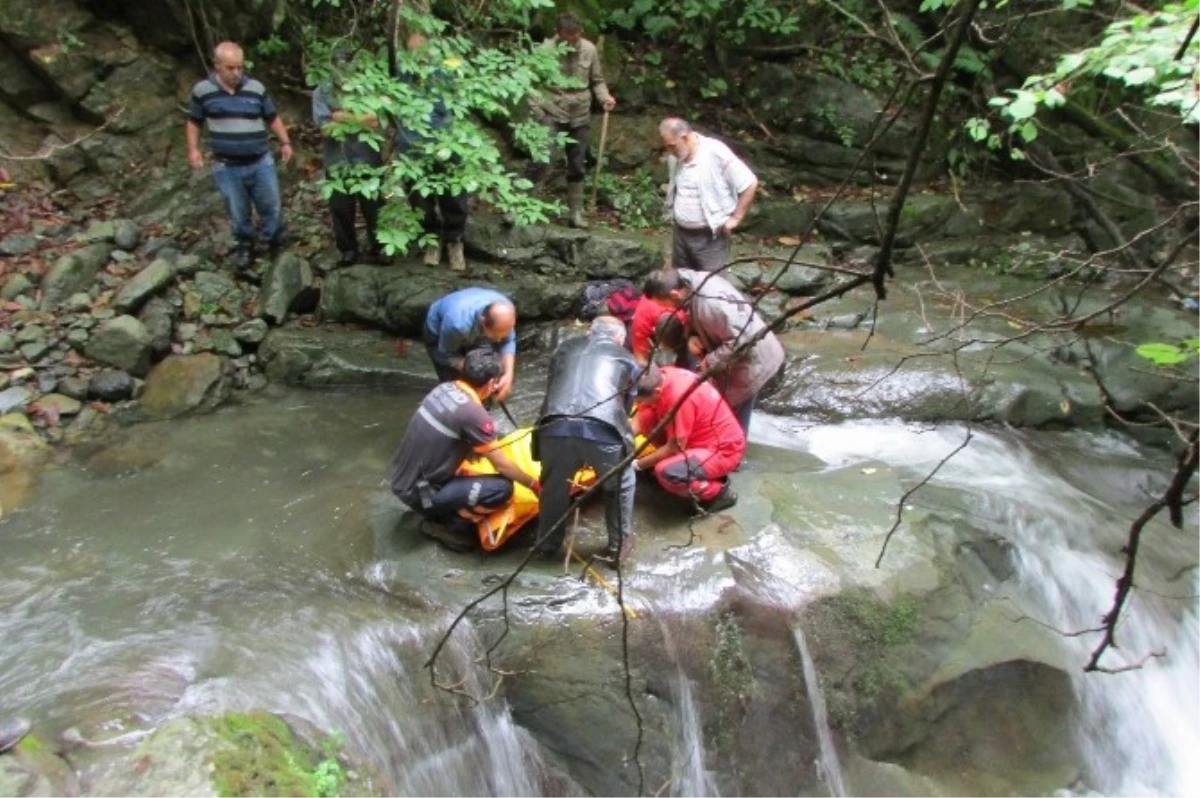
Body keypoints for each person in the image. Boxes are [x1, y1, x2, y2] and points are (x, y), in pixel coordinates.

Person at [389, 349, 540, 550]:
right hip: (420, 493)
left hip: (402, 479)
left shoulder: (443, 389)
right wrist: (534, 485)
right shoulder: (473, 414)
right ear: (491, 384)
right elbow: (502, 466)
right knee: (502, 489)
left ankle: (446, 506)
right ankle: (451, 523)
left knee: (475, 462)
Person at [533, 316, 640, 565]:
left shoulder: (563, 349)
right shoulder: (626, 358)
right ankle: (619, 548)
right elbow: (626, 407)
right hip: (603, 429)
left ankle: (546, 546)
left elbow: (552, 391)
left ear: (590, 331)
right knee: (621, 483)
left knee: (554, 488)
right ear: (620, 339)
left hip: (555, 425)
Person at [186, 41, 293, 281]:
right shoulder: (203, 91)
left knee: (271, 204)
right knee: (237, 210)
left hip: (260, 159)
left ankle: (274, 240)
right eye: (230, 68)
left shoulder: (255, 88)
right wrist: (193, 150)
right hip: (227, 164)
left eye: (240, 68)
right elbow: (194, 122)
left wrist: (285, 142)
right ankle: (245, 246)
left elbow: (272, 117)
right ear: (217, 66)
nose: (236, 73)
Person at [643, 266, 784, 433]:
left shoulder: (710, 305)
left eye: (663, 304)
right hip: (741, 351)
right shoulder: (694, 281)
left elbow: (744, 340)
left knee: (733, 424)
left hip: (754, 361)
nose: (666, 309)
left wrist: (710, 362)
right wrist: (692, 335)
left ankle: (733, 455)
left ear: (675, 294)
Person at [529, 13, 616, 229]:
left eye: (577, 35)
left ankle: (575, 213)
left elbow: (597, 81)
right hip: (552, 111)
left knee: (578, 164)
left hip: (580, 114)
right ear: (559, 33)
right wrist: (540, 113)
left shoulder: (589, 49)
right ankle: (521, 206)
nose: (575, 40)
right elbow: (530, 84)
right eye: (570, 36)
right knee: (542, 160)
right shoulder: (544, 51)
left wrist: (605, 97)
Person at [395, 32, 469, 272]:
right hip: (413, 149)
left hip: (446, 145)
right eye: (412, 47)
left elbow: (463, 104)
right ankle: (430, 239)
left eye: (422, 47)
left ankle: (454, 240)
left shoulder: (447, 71)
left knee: (453, 197)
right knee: (419, 200)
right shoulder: (400, 75)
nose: (418, 53)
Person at [633, 364, 744, 513]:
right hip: (697, 438)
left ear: (657, 392)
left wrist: (637, 465)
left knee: (667, 472)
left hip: (723, 450)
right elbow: (640, 419)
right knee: (647, 415)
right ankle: (684, 469)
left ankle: (717, 493)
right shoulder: (660, 376)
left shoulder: (678, 398)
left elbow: (674, 448)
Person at [312, 48, 385, 266]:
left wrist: (340, 116)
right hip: (337, 160)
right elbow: (325, 128)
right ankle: (348, 250)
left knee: (374, 206)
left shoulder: (367, 89)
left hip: (367, 157)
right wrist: (358, 118)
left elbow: (375, 120)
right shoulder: (321, 92)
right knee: (340, 208)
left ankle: (380, 247)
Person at [660, 117, 758, 273]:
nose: (670, 152)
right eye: (668, 147)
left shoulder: (715, 151)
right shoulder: (676, 157)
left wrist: (736, 218)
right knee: (681, 285)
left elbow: (749, 182)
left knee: (712, 286)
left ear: (684, 137)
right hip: (681, 234)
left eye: (672, 146)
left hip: (711, 237)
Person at [423, 287, 517, 401]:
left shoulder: (505, 313)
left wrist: (508, 374)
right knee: (454, 384)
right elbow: (446, 355)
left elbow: (508, 341)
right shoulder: (456, 325)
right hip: (439, 331)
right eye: (496, 336)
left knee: (486, 371)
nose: (498, 341)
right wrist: (473, 372)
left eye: (502, 335)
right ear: (483, 322)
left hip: (473, 324)